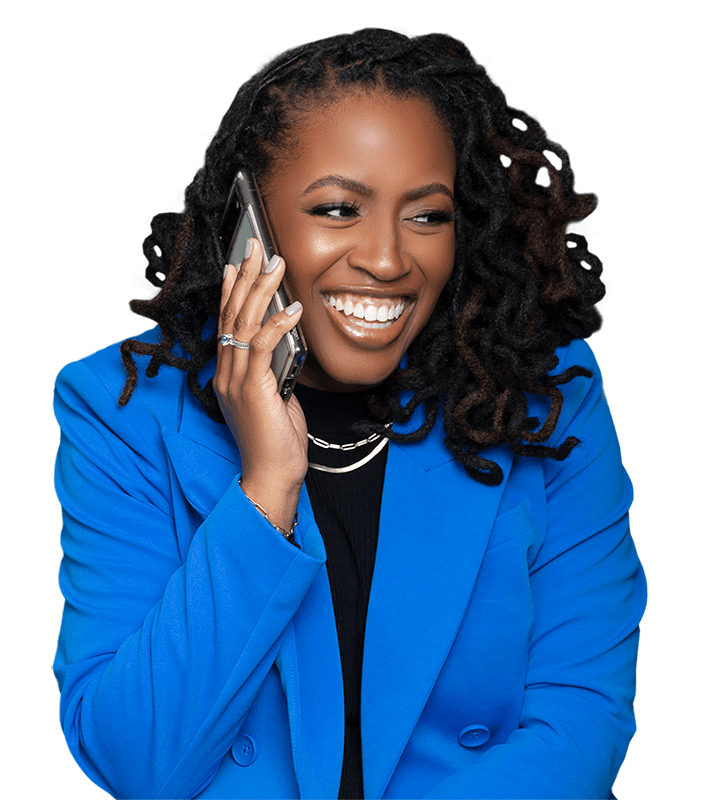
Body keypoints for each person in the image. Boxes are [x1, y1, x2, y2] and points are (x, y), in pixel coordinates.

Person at [51, 28, 647, 800]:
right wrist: (266, 488)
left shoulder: (544, 396)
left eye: (427, 216)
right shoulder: (120, 411)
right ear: (249, 224)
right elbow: (139, 762)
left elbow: (582, 717)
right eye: (338, 208)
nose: (391, 259)